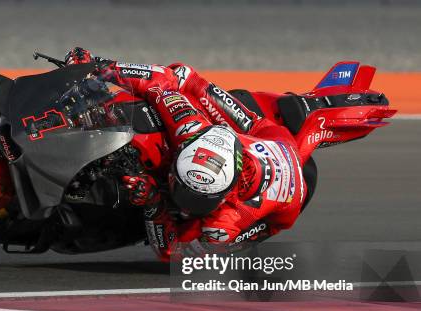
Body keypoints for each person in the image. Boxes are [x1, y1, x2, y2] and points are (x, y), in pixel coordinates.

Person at [64, 47, 307, 260]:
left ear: (224, 195)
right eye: (182, 188)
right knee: (184, 75)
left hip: (284, 207)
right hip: (268, 136)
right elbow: (160, 80)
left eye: (199, 200)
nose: (185, 202)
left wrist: (153, 204)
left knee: (206, 247)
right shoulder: (189, 126)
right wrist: (98, 68)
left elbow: (173, 254)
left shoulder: (225, 222)